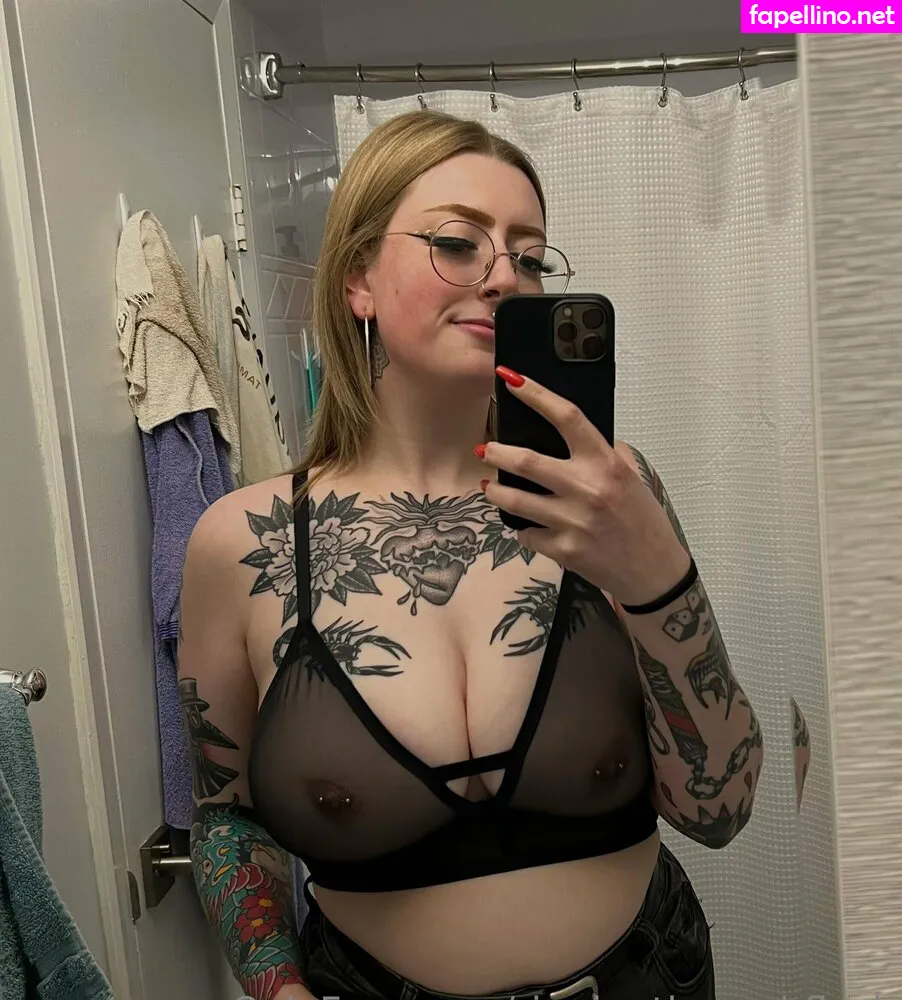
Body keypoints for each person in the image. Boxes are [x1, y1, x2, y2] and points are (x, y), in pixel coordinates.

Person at [178, 109, 763, 1000]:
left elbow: (720, 810)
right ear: (358, 280)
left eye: (529, 257)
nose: (503, 279)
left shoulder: (609, 494)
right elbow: (227, 821)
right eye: (458, 243)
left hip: (645, 977)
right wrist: (277, 989)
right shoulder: (242, 542)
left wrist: (657, 581)